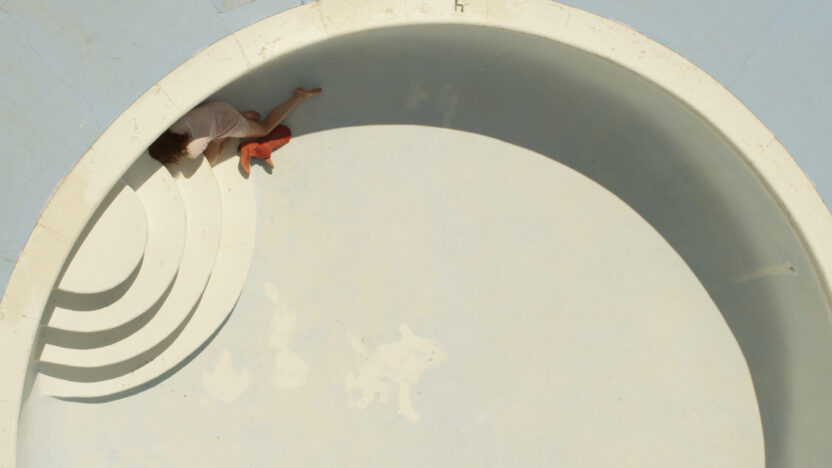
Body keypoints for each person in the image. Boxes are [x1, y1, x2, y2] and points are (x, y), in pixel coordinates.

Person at [148, 87, 322, 166]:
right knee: (214, 132)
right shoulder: (171, 126)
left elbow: (210, 141)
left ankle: (297, 97)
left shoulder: (191, 151)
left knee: (264, 129)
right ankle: (242, 117)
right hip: (215, 107)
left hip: (227, 121)